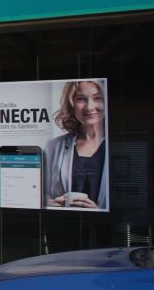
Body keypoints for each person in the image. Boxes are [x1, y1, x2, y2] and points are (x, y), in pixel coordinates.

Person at [45, 80, 108, 210]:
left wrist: (98, 211)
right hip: (66, 223)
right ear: (71, 104)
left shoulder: (119, 146)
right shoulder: (53, 146)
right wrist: (49, 203)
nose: (89, 106)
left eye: (97, 98)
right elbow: (40, 193)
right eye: (81, 99)